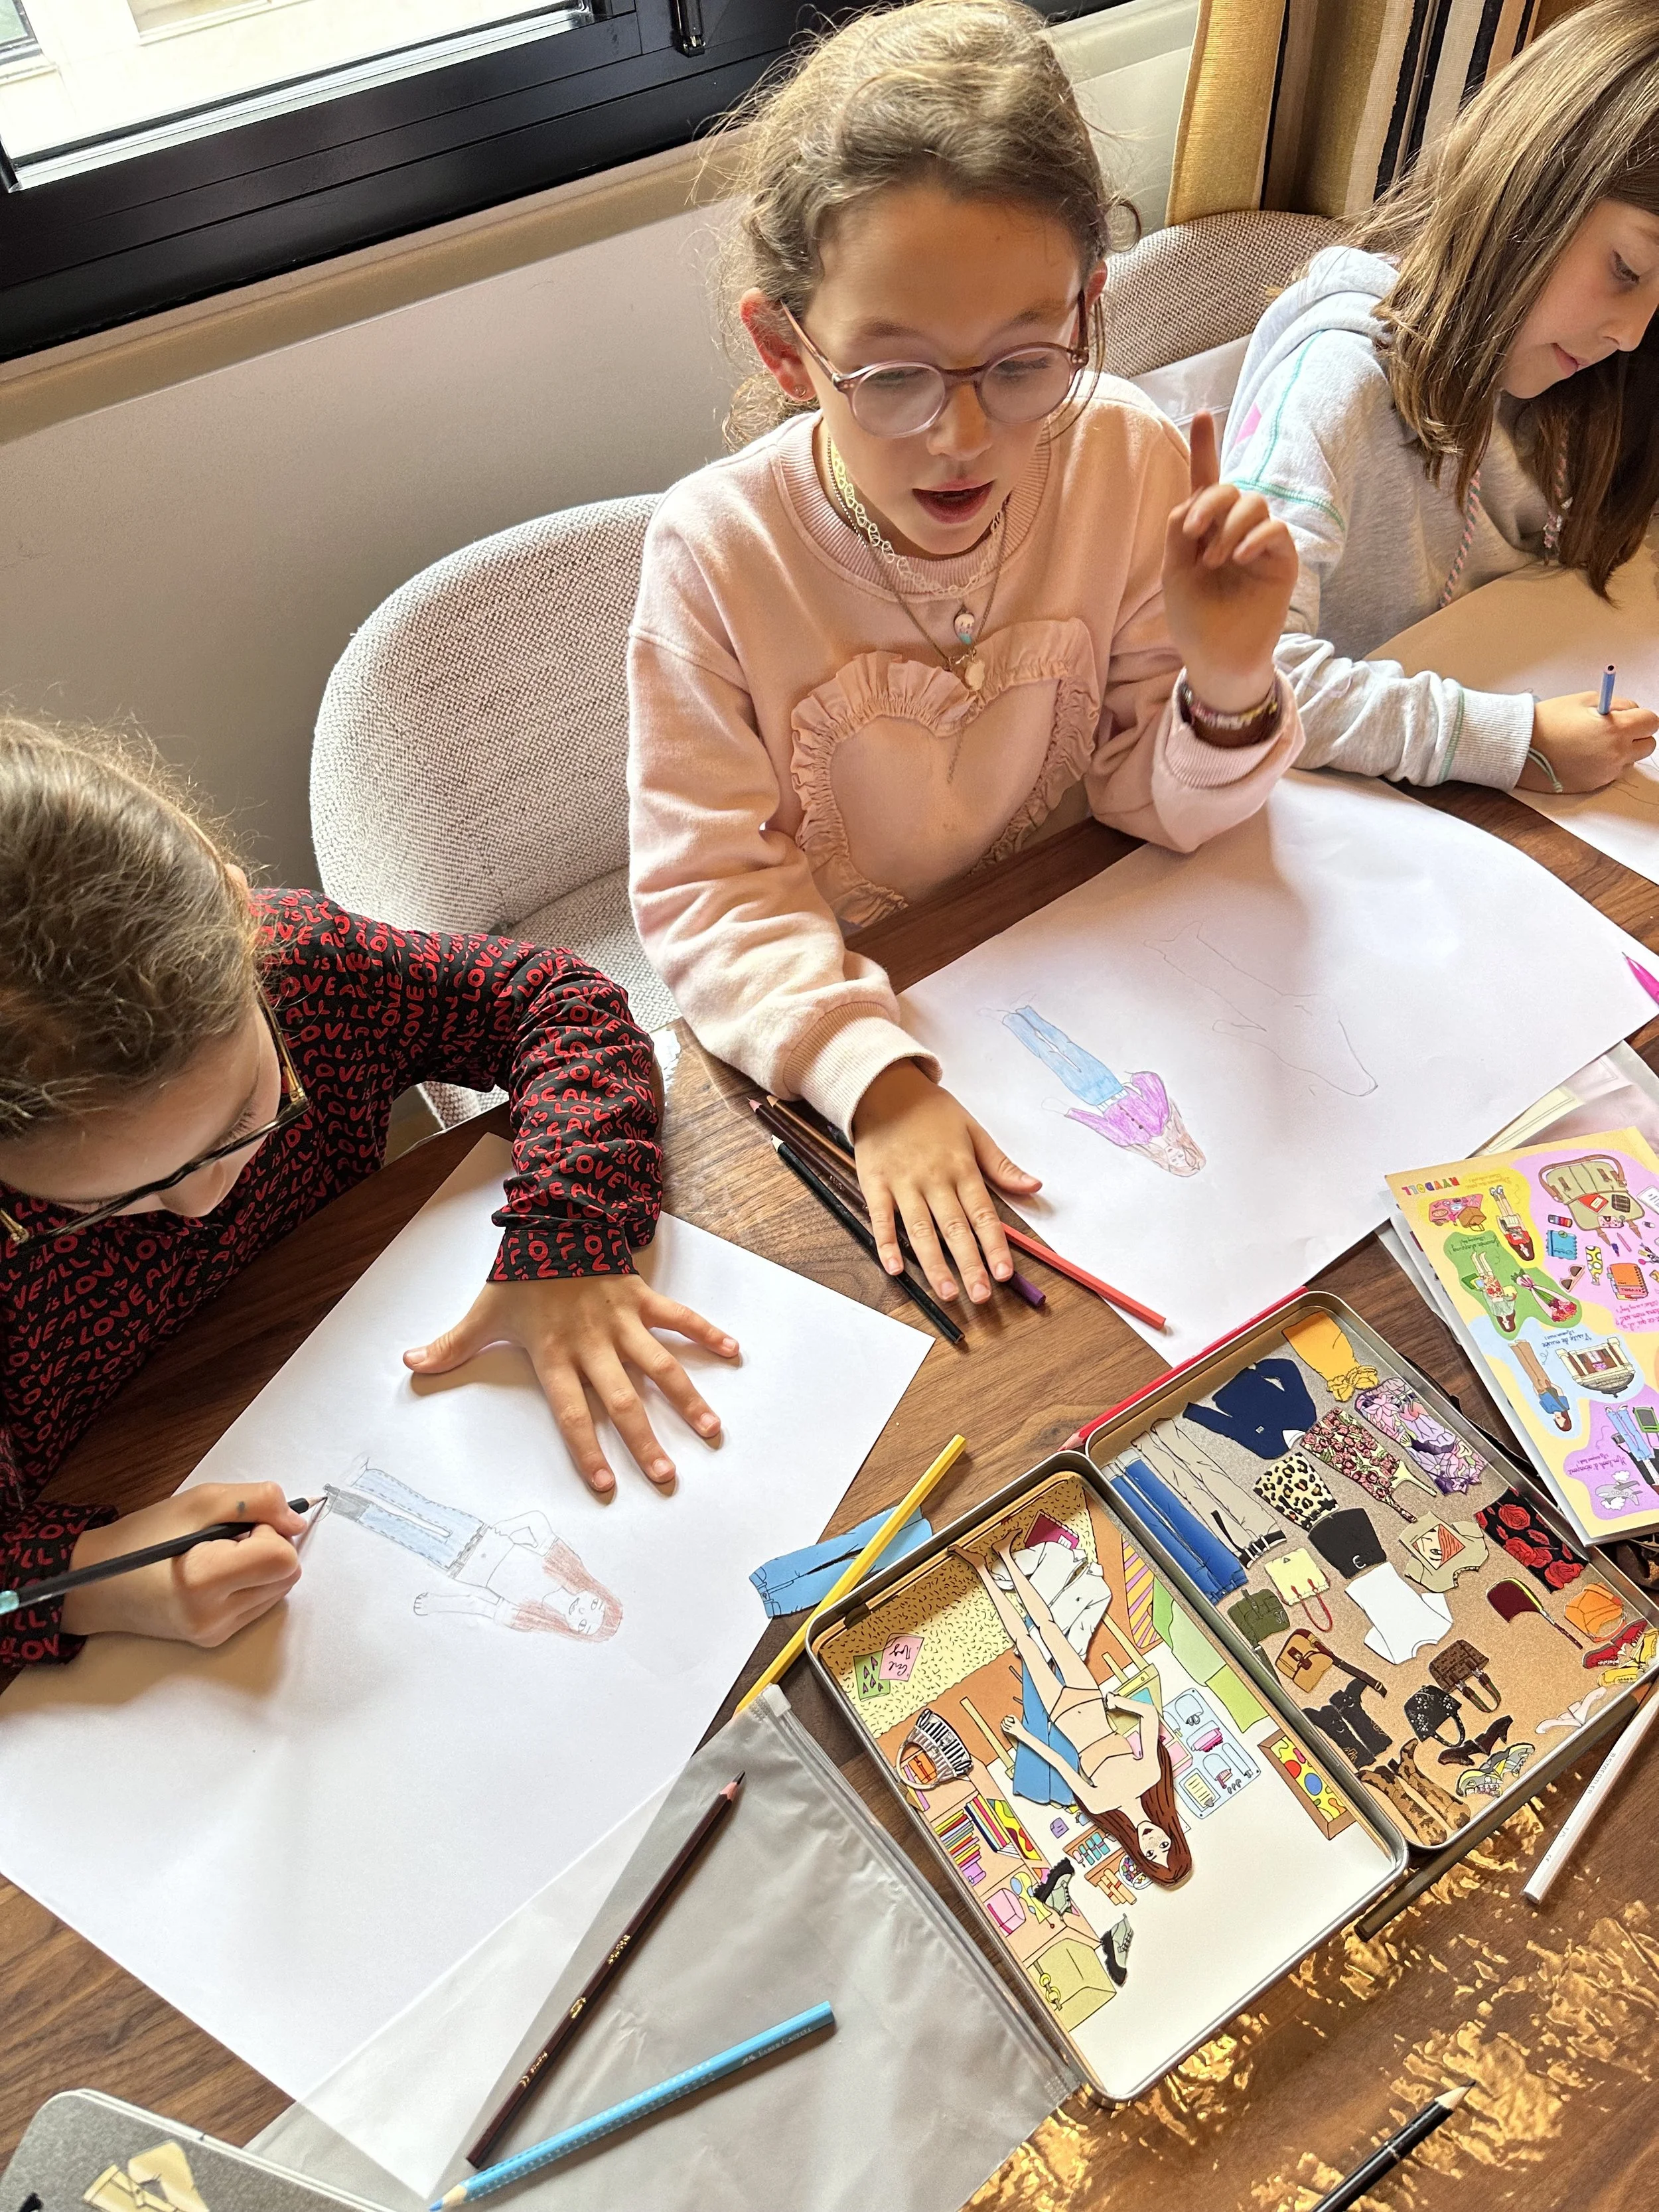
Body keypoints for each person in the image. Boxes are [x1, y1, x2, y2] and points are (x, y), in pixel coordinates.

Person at [628, 0, 1303, 1313]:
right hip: (870, 1026)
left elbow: (1143, 797)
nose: (960, 437)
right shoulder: (713, 552)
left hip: (1099, 978)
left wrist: (1223, 687)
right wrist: (875, 1084)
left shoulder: (1123, 451)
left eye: (1020, 362)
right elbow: (708, 893)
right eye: (890, 375)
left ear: (1085, 309)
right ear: (784, 349)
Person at [0, 717, 737, 1669]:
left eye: (238, 1130)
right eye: (105, 1202)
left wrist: (566, 1232)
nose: (199, 1205)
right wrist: (75, 1584)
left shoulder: (305, 970)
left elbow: (555, 1002)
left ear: (240, 923)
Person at [1222, 0, 1659, 796]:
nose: (1631, 332)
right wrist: (1512, 740)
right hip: (1337, 811)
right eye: (1626, 270)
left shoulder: (1586, 376)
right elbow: (1243, 679)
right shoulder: (1337, 379)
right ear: (1535, 187)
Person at [968, 1540, 1193, 1887]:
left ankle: (982, 1569)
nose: (1152, 1842)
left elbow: (1060, 1763)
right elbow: (1148, 1716)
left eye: (1150, 1853)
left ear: (1139, 1853)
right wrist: (1119, 1703)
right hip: (1090, 1699)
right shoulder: (1151, 1775)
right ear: (1171, 1834)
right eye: (1164, 1844)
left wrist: (1024, 1737)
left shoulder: (1102, 1804)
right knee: (1049, 1627)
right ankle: (1007, 1557)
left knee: (1028, 1644)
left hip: (1062, 1713)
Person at [323, 1463, 623, 1639]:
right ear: (595, 1592)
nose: (582, 1613)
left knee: (398, 1529)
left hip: (456, 1565)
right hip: (477, 1533)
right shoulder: (564, 1564)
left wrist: (439, 1604)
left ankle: (336, 1503)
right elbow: (537, 1521)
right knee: (422, 1507)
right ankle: (364, 1479)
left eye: (583, 1625)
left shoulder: (529, 1617)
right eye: (595, 1607)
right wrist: (505, 1528)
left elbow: (479, 1604)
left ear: (573, 1631)